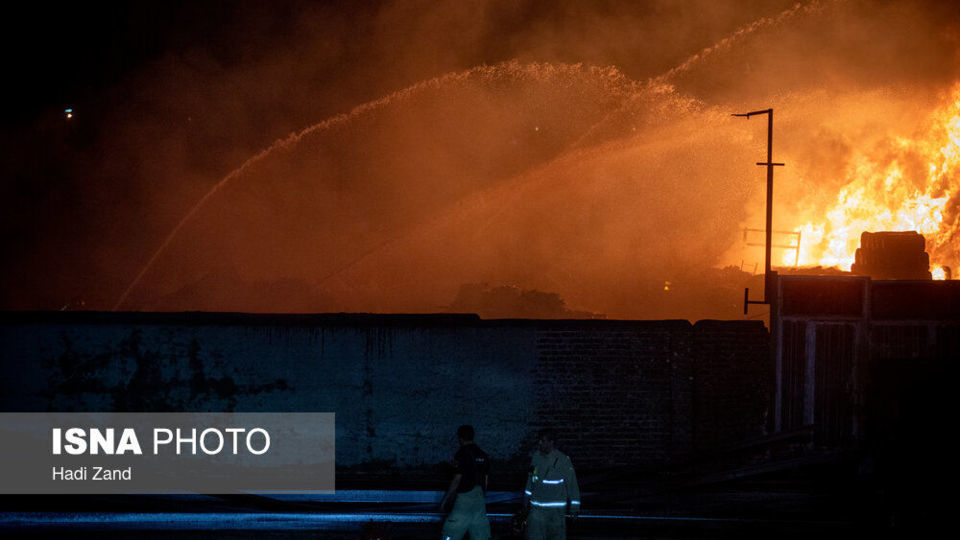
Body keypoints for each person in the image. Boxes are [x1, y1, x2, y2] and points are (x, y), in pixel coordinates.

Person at [522, 429, 580, 540]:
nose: (540, 443)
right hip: (536, 510)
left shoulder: (563, 460)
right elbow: (531, 480)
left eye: (542, 441)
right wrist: (525, 500)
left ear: (551, 442)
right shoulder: (536, 457)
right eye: (539, 440)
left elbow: (572, 484)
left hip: (556, 512)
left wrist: (574, 507)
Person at [440, 424, 491, 540]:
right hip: (479, 501)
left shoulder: (461, 454)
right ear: (473, 437)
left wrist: (446, 500)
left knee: (451, 532)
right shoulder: (483, 455)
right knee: (481, 535)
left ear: (460, 438)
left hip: (464, 500)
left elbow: (457, 480)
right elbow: (486, 481)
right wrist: (481, 496)